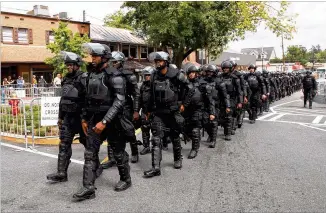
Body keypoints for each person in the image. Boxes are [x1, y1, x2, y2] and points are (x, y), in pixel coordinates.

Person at [73, 43, 130, 200]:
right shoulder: (91, 75)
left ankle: (126, 179)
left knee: (118, 153)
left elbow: (119, 102)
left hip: (112, 121)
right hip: (94, 119)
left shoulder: (115, 75)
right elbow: (86, 99)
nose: (92, 59)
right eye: (92, 56)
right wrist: (84, 118)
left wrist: (104, 122)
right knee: (90, 153)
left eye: (95, 56)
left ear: (104, 57)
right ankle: (88, 188)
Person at [47, 51, 100, 183]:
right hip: (68, 117)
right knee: (64, 144)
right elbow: (63, 99)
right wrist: (60, 117)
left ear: (77, 65)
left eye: (70, 64)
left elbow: (88, 99)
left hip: (81, 118)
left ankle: (96, 167)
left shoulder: (84, 77)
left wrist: (85, 118)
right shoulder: (65, 79)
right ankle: (61, 173)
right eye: (67, 65)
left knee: (88, 144)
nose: (68, 67)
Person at [143, 51, 190, 178]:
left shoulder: (176, 75)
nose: (157, 63)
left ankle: (177, 159)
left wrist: (183, 104)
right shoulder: (153, 76)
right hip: (158, 112)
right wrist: (147, 110)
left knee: (175, 137)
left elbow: (189, 89)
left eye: (160, 61)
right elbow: (150, 95)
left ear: (166, 62)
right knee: (156, 139)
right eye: (156, 61)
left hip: (172, 112)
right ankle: (155, 167)